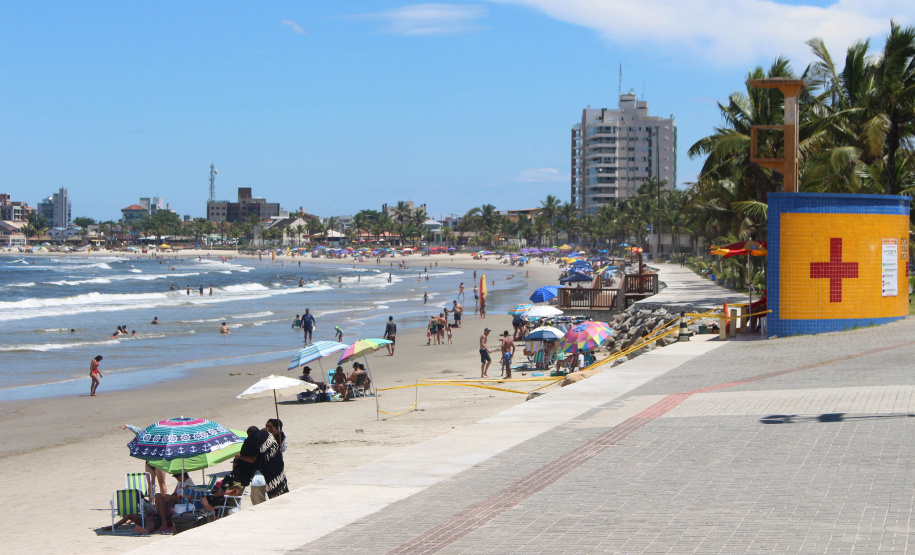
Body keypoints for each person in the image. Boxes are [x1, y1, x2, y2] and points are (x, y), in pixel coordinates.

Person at [234, 426, 288, 500]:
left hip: (260, 476)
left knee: (257, 498)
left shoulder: (254, 440)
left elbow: (252, 459)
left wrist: (239, 456)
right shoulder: (268, 438)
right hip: (277, 471)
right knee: (278, 491)